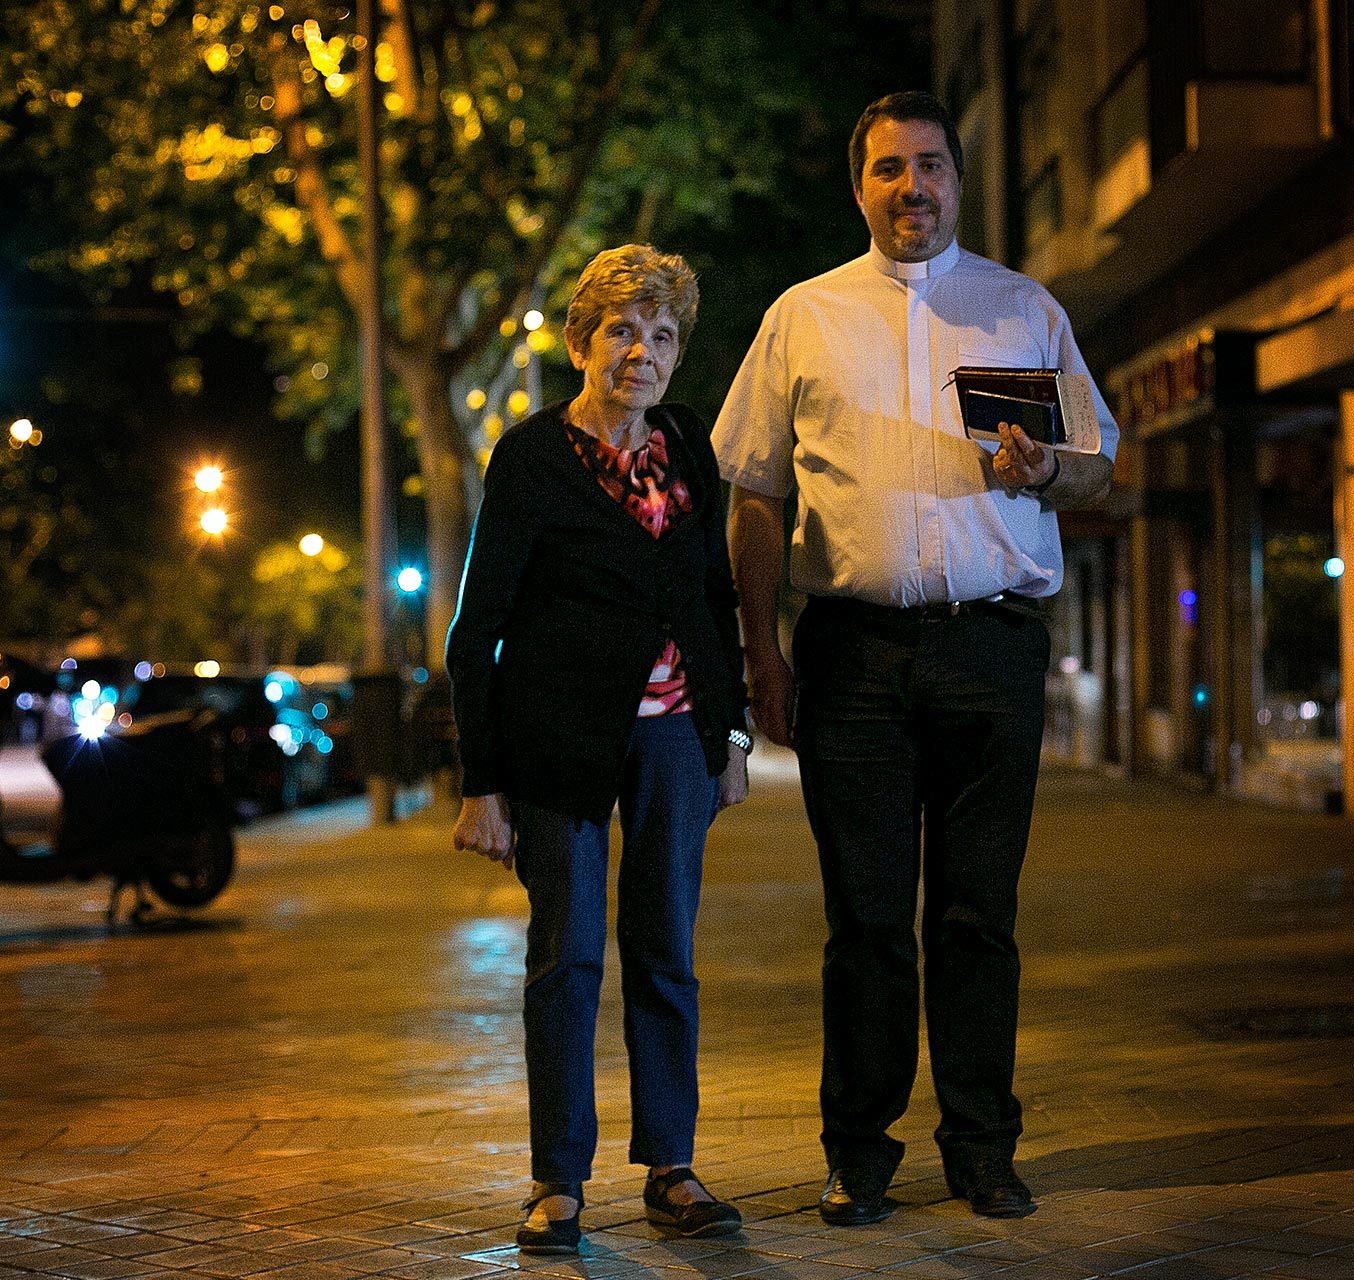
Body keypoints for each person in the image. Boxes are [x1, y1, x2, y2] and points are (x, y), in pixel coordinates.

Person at [713, 91, 1119, 1225]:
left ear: (955, 179)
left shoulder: (1021, 309)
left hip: (990, 647)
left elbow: (1097, 462)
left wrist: (1044, 471)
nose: (912, 186)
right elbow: (751, 492)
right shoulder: (801, 315)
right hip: (851, 655)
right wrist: (762, 655)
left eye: (929, 165)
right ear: (861, 188)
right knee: (867, 922)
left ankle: (982, 1145)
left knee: (978, 915)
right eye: (887, 168)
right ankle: (859, 1151)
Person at [448, 243, 751, 1255]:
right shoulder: (532, 457)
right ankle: (556, 1177)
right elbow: (474, 627)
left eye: (660, 334)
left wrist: (729, 731)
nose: (642, 351)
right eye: (622, 330)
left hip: (674, 736)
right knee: (565, 956)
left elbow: (712, 597)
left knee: (666, 949)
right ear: (581, 341)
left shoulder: (686, 446)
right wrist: (479, 781)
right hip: (555, 745)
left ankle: (671, 1164)